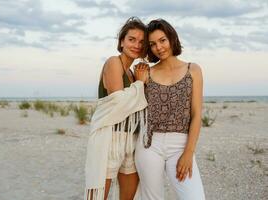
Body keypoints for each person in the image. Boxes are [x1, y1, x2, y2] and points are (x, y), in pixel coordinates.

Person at [134, 19, 206, 199]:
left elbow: (197, 114)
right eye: (152, 44)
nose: (159, 47)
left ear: (172, 38)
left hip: (180, 144)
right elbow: (134, 106)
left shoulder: (193, 70)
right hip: (149, 143)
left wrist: (189, 152)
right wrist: (139, 81)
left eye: (162, 40)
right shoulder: (147, 73)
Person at [84, 17, 148, 200]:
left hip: (131, 140)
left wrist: (139, 80)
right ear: (121, 41)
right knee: (97, 196)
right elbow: (120, 103)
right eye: (131, 39)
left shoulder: (132, 73)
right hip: (110, 138)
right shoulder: (114, 62)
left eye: (141, 42)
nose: (136, 45)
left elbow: (137, 105)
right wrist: (140, 84)